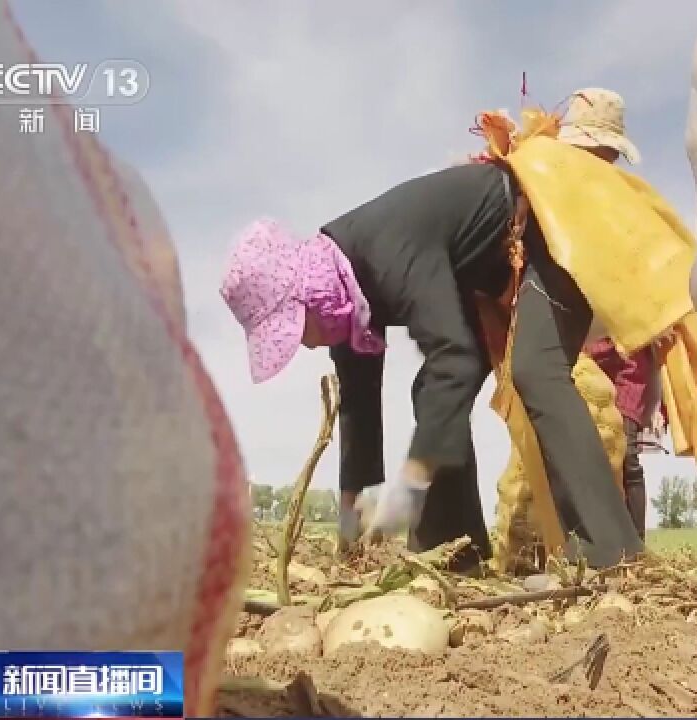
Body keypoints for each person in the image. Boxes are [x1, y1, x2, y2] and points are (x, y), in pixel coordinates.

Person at [220, 152, 645, 573]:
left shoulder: (387, 251)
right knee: (430, 393)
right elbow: (358, 410)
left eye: (298, 330)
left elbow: (455, 360)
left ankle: (612, 553)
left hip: (552, 229)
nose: (306, 346)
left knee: (535, 370)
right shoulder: (347, 305)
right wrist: (349, 526)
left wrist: (411, 482)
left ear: (311, 297)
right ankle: (454, 556)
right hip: (483, 278)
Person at [558, 88, 660, 539]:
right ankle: (576, 546)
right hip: (575, 351)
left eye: (601, 151)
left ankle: (632, 555)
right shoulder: (552, 200)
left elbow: (657, 268)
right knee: (573, 448)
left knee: (627, 454)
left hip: (627, 350)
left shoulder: (632, 206)